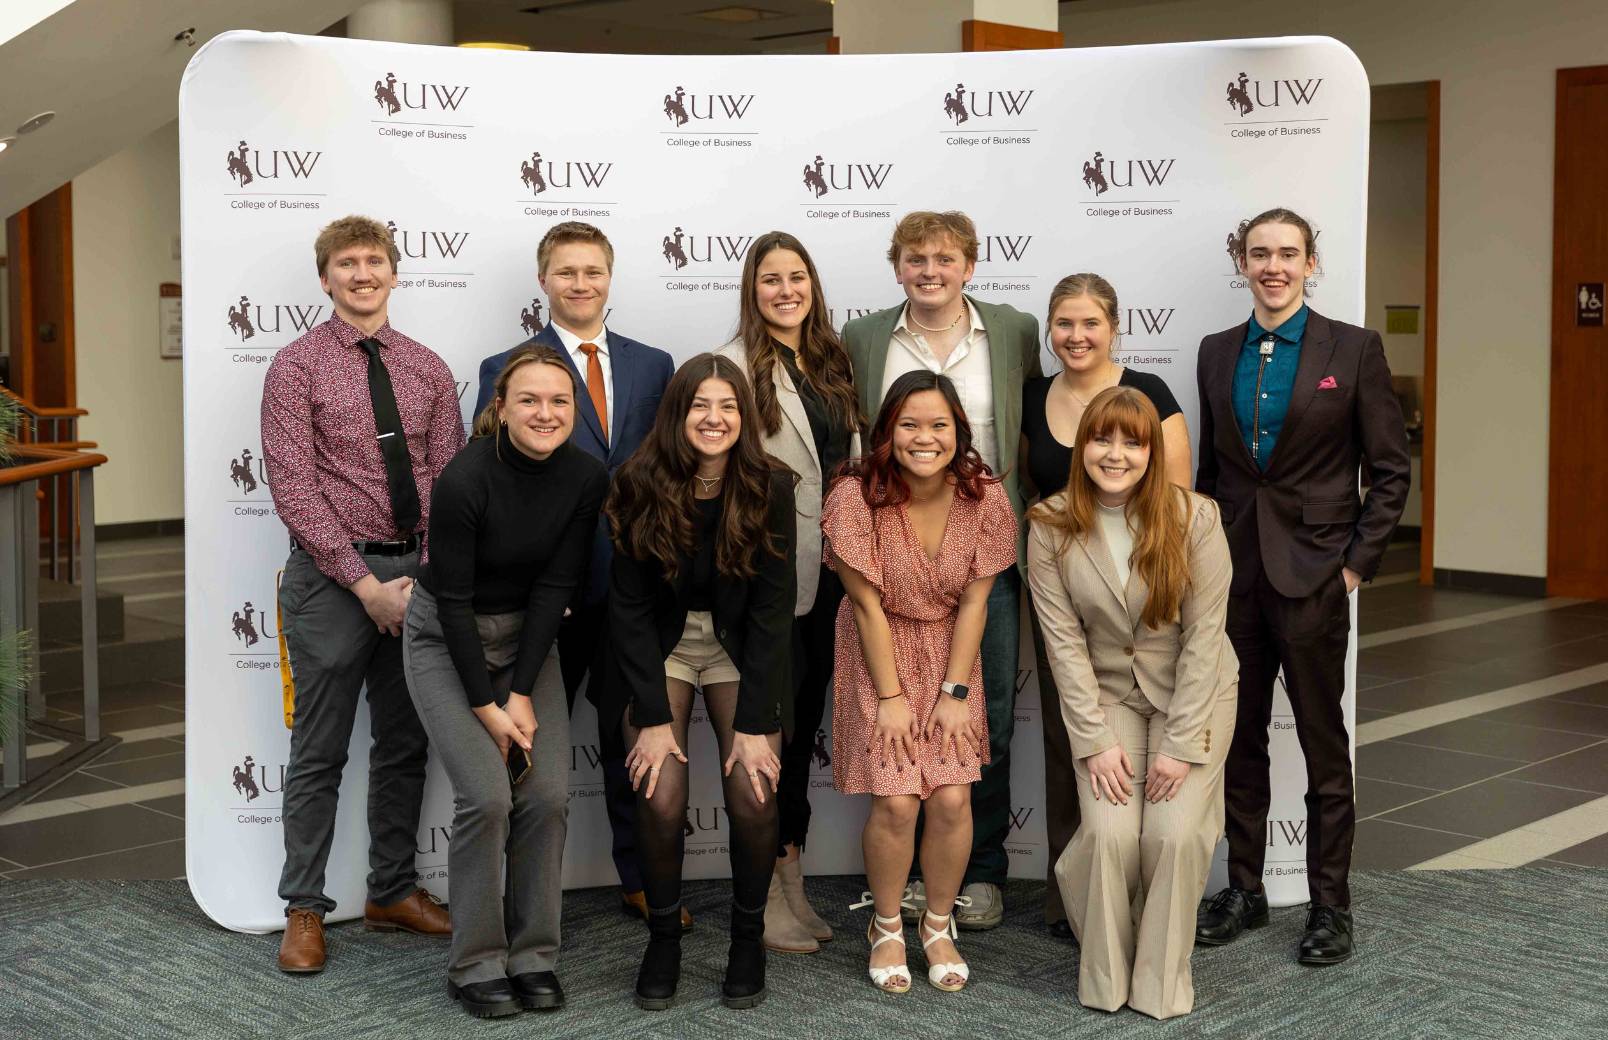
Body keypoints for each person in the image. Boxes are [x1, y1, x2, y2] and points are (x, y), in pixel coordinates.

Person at [1193, 208, 1410, 965]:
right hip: (1234, 579)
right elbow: (1213, 475)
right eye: (1259, 253)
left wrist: (1355, 565)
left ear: (1310, 262)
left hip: (1316, 576)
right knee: (1238, 742)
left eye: (1288, 253)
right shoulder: (1217, 352)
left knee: (1323, 747)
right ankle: (1245, 889)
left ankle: (1330, 907)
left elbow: (1389, 470)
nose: (1273, 266)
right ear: (1242, 262)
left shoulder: (1352, 349)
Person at [261, 215, 462, 973]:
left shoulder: (428, 369)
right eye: (346, 263)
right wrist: (363, 584)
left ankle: (391, 892)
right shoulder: (295, 367)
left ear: (394, 274)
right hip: (330, 582)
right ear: (325, 279)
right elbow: (293, 486)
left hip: (416, 580)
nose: (362, 273)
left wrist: (425, 579)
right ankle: (304, 908)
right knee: (318, 750)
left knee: (406, 743)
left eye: (374, 261)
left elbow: (450, 481)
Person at [473, 222, 678, 930]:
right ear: (545, 282)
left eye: (593, 271)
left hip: (632, 589)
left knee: (630, 734)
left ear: (610, 278)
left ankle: (641, 877)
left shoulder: (655, 365)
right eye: (566, 272)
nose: (581, 283)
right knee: (522, 745)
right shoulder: (504, 366)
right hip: (540, 598)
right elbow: (496, 480)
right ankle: (521, 898)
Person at [841, 210, 1041, 931]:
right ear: (897, 268)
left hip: (982, 548)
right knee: (895, 721)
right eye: (916, 259)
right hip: (893, 556)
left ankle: (976, 875)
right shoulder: (864, 338)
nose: (930, 271)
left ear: (971, 266)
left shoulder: (1014, 330)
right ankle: (902, 891)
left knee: (983, 717)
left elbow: (1033, 421)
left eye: (945, 259)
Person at [402, 346, 608, 1018]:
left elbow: (556, 584)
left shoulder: (584, 475)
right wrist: (490, 709)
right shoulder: (465, 478)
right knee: (488, 798)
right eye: (529, 400)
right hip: (444, 636)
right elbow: (454, 603)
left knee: (546, 794)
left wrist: (520, 689)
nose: (545, 413)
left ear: (574, 410)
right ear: (500, 407)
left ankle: (533, 956)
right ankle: (476, 964)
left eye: (559, 401)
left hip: (528, 640)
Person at [1027, 386, 1238, 1018]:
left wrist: (1179, 746)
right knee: (1110, 835)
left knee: (1174, 838)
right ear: (1080, 445)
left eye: (1132, 442)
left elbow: (1206, 638)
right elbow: (1063, 647)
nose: (1115, 454)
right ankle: (1104, 978)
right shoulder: (1049, 525)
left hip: (1191, 696)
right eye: (1102, 438)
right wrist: (1092, 742)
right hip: (1108, 696)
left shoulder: (1196, 517)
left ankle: (1160, 985)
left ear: (1152, 451)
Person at [600, 354, 797, 1010]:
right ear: (678, 414)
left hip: (740, 647)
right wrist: (653, 716)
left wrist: (756, 722)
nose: (714, 419)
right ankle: (664, 939)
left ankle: (747, 939)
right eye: (700, 407)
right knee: (658, 792)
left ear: (745, 415)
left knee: (755, 790)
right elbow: (626, 609)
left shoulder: (772, 486)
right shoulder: (636, 481)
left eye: (728, 407)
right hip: (663, 646)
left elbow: (773, 611)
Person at [822, 371, 1017, 994]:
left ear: (960, 429)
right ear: (887, 432)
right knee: (898, 801)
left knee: (954, 799)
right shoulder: (853, 496)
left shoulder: (985, 497)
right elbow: (866, 607)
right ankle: (885, 925)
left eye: (939, 425)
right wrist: (890, 699)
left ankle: (936, 924)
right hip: (875, 654)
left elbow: (977, 603)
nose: (924, 438)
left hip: (951, 654)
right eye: (910, 424)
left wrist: (955, 693)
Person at [1018, 272, 1189, 941]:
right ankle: (1078, 896)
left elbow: (1176, 508)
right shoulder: (1032, 396)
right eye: (1063, 323)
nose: (1076, 336)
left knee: (1145, 738)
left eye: (1090, 323)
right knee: (1070, 739)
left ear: (1115, 326)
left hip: (1140, 598)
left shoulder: (1150, 393)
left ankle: (1145, 897)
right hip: (1061, 596)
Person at [715, 231, 861, 955]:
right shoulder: (735, 368)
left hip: (837, 575)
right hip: (772, 578)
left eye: (796, 276)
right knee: (767, 733)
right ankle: (762, 894)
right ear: (753, 289)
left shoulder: (834, 360)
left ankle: (792, 877)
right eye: (770, 279)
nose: (785, 290)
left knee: (801, 734)